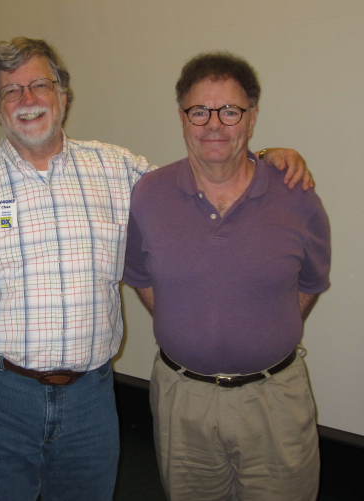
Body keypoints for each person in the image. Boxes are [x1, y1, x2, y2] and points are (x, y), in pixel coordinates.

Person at [0, 37, 311, 501]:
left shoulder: (117, 169)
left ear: (63, 95)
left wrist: (262, 157)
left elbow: (200, 179)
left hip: (89, 398)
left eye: (40, 85)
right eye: (10, 91)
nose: (27, 99)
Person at [124, 52, 330, 500]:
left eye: (230, 111)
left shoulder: (296, 196)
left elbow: (310, 284)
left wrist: (259, 333)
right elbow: (140, 277)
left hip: (274, 399)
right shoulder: (149, 194)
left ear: (251, 118)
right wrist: (189, 325)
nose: (214, 124)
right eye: (199, 111)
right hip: (182, 399)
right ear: (182, 118)